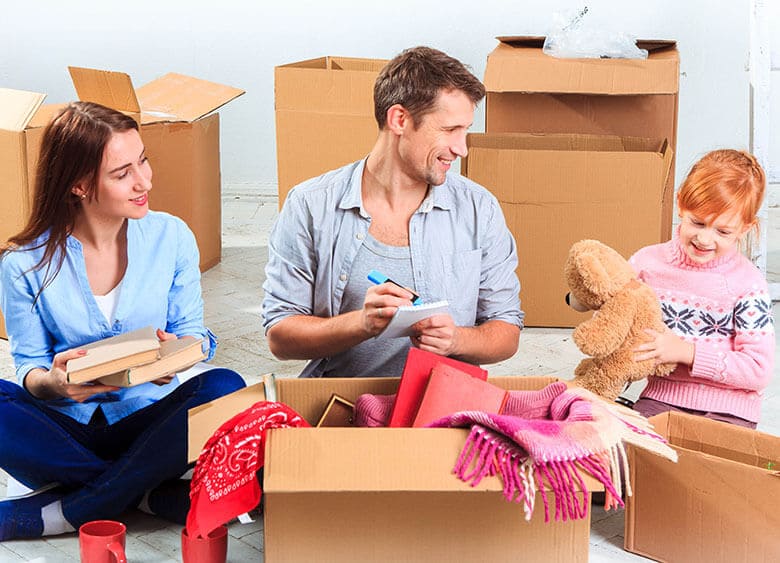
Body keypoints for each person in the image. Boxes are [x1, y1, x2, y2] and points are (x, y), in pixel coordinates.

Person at [0, 102, 246, 541]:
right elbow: (29, 366)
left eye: (143, 161)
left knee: (224, 386)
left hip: (150, 424)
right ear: (78, 184)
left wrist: (176, 354)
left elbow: (194, 333)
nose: (144, 181)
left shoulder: (171, 236)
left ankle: (73, 508)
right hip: (66, 431)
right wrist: (54, 383)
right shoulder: (23, 263)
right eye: (122, 173)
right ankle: (147, 493)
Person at [263, 46, 523, 378]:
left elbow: (507, 331)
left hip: (440, 407)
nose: (462, 148)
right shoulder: (311, 205)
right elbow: (279, 338)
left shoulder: (477, 208)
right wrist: (360, 323)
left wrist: (455, 338)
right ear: (399, 119)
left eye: (465, 130)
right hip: (342, 404)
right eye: (449, 130)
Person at [631, 149, 775, 428]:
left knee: (712, 471)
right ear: (680, 206)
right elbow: (616, 304)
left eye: (723, 231)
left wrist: (688, 352)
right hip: (661, 400)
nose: (705, 238)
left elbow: (758, 369)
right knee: (625, 459)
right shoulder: (647, 263)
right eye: (697, 222)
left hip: (731, 412)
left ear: (745, 228)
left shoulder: (748, 283)